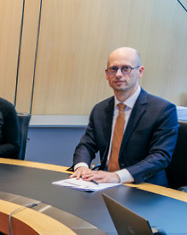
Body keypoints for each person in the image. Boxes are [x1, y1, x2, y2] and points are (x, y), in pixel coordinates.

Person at [70, 47, 178, 186]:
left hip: (144, 187)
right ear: (107, 74)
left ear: (140, 71)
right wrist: (82, 167)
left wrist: (117, 176)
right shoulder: (100, 109)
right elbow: (86, 145)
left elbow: (160, 157)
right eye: (113, 69)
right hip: (103, 183)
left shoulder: (163, 110)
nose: (118, 74)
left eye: (126, 68)